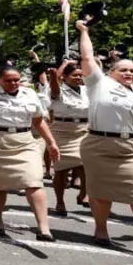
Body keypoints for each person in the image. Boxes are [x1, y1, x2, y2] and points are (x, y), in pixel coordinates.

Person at [0, 38, 58, 241]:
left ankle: (44, 228)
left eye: (16, 80)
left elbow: (38, 121)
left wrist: (52, 142)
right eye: (8, 80)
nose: (13, 84)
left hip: (24, 142)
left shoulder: (29, 94)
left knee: (34, 181)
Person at [76, 20, 133, 247]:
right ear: (111, 72)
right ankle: (101, 230)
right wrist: (84, 31)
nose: (129, 73)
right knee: (101, 192)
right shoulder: (98, 83)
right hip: (99, 146)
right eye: (123, 70)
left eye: (132, 70)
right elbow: (87, 58)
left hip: (132, 149)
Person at [47, 60, 89, 216]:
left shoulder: (87, 90)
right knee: (61, 170)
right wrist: (56, 72)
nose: (78, 78)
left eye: (80, 75)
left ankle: (84, 193)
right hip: (62, 132)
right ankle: (60, 201)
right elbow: (55, 88)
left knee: (86, 165)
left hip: (83, 131)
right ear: (65, 77)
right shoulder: (58, 90)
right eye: (74, 75)